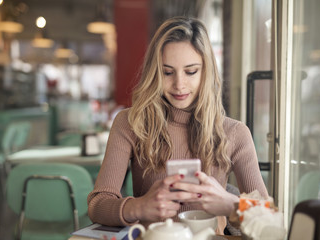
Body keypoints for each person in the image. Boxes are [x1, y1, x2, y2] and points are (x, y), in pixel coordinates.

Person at [87, 16, 268, 234]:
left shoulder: (235, 133)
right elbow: (98, 204)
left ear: (206, 72)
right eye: (167, 72)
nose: (179, 85)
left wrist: (230, 205)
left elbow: (269, 221)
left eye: (191, 72)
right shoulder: (129, 123)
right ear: (155, 72)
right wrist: (140, 206)